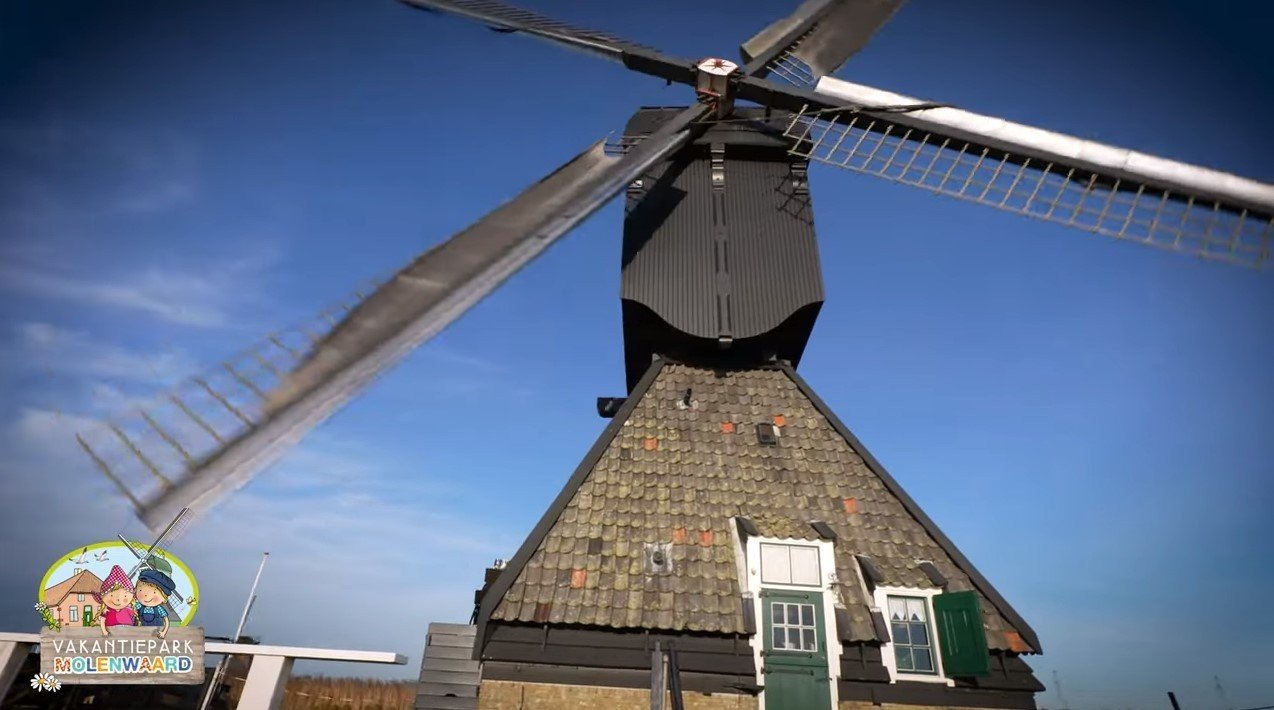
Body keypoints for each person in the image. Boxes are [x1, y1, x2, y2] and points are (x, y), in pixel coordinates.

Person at [94, 566, 136, 636]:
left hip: (127, 634)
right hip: (112, 633)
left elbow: (134, 619)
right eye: (111, 596)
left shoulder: (128, 609)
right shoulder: (106, 610)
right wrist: (104, 631)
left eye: (125, 596)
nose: (118, 599)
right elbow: (102, 621)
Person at [133, 569, 174, 638]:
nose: (146, 595)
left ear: (164, 597)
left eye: (154, 592)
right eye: (140, 590)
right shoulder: (139, 605)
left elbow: (166, 621)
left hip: (155, 634)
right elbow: (134, 610)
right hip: (140, 633)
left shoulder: (159, 609)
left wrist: (164, 632)